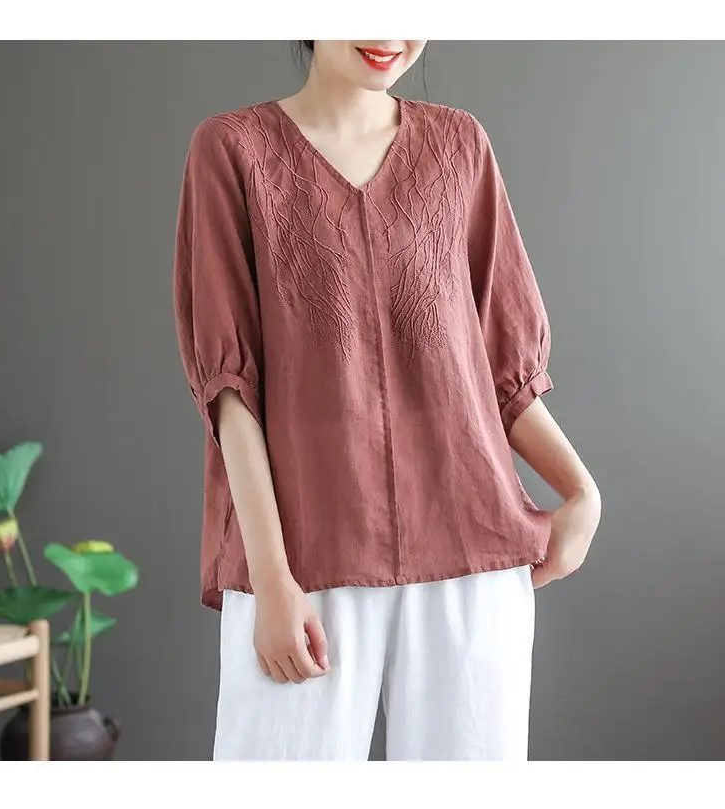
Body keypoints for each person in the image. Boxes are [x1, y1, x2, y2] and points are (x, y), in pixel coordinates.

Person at [172, 40, 601, 761]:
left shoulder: (459, 144)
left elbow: (499, 370)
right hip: (306, 558)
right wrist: (271, 580)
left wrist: (581, 491)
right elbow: (229, 390)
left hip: (472, 552)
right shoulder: (232, 149)